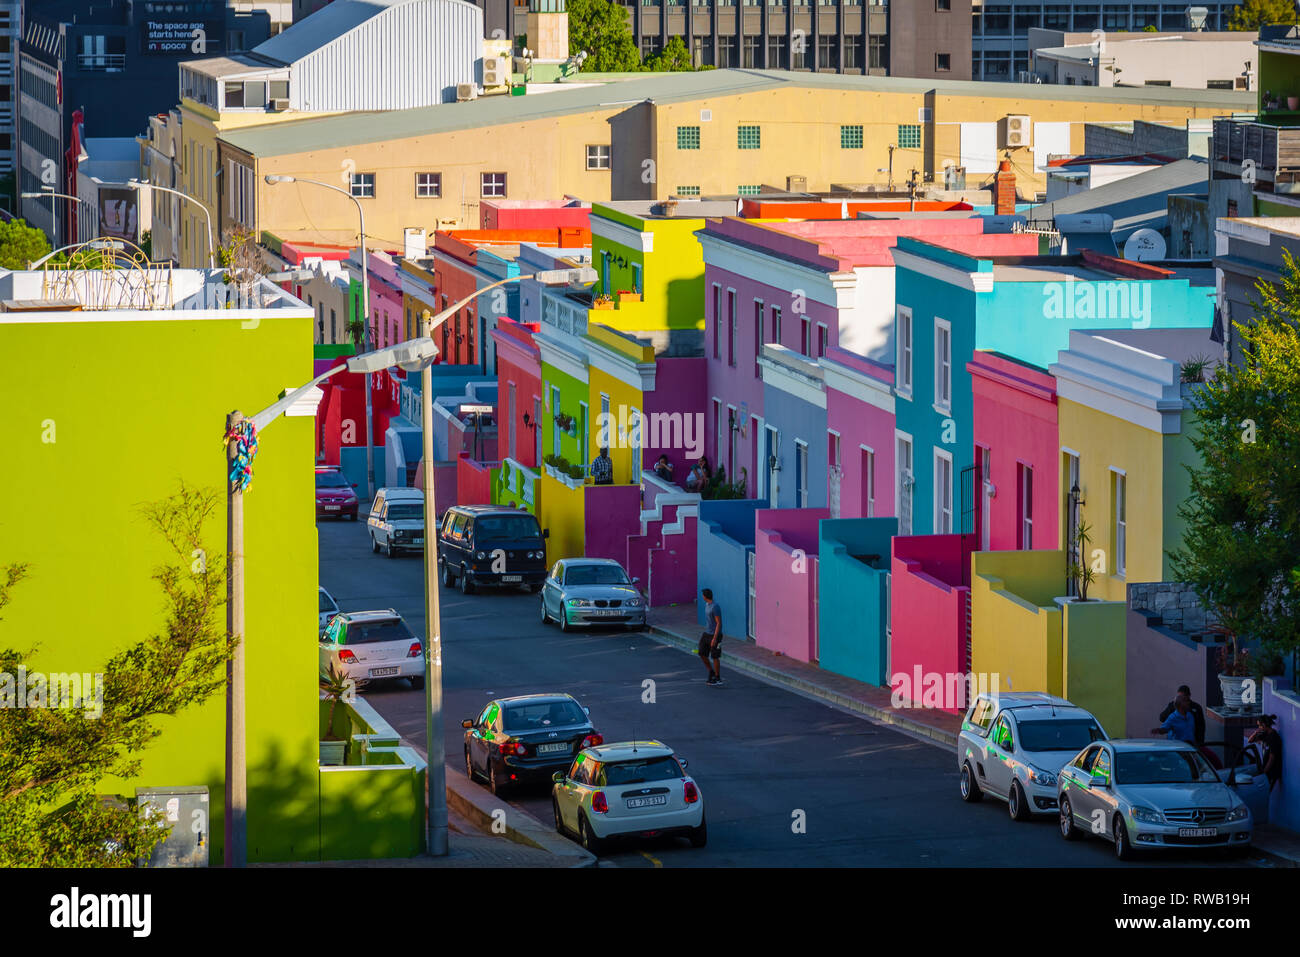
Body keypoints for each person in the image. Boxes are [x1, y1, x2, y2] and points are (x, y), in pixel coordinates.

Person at [1248, 714, 1283, 792]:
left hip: (1272, 771)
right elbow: (1250, 741)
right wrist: (1256, 732)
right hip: (1266, 770)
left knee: (1266, 792)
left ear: (1263, 725)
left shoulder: (1274, 738)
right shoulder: (1265, 734)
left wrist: (1264, 772)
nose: (1259, 728)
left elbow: (1272, 758)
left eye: (1259, 726)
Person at [698, 588, 724, 685]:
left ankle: (717, 678)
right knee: (701, 653)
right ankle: (711, 671)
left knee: (715, 656)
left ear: (705, 596)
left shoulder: (715, 607)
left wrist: (714, 638)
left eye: (703, 595)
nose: (702, 597)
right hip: (707, 633)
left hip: (715, 635)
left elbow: (719, 623)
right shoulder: (707, 605)